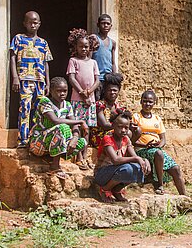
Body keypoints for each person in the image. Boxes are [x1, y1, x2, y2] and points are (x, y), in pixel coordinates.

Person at [28, 77, 88, 180]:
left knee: (82, 141)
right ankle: (54, 166)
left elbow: (74, 126)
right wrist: (81, 121)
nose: (62, 93)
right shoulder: (45, 102)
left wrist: (75, 137)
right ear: (51, 91)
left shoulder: (67, 105)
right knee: (63, 127)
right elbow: (55, 120)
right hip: (39, 143)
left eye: (65, 91)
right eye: (59, 91)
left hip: (54, 142)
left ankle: (52, 157)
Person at [10, 11, 53, 148]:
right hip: (25, 79)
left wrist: (47, 83)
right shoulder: (18, 39)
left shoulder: (43, 43)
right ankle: (23, 139)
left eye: (35, 22)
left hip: (40, 81)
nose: (33, 25)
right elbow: (12, 57)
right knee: (25, 109)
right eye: (30, 22)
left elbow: (46, 63)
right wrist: (15, 77)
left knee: (39, 111)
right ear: (24, 23)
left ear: (39, 24)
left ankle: (37, 140)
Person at [131, 90, 186, 195]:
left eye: (150, 102)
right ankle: (159, 185)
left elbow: (163, 139)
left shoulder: (157, 119)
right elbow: (131, 140)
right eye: (145, 101)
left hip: (156, 149)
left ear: (154, 103)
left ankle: (185, 199)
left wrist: (158, 145)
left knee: (176, 169)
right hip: (141, 150)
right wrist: (145, 145)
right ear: (141, 102)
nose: (147, 104)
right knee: (158, 153)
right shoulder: (136, 117)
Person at [94, 108, 151, 202]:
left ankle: (116, 190)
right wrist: (137, 158)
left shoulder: (126, 139)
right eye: (120, 127)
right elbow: (115, 160)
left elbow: (134, 155)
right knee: (127, 169)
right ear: (113, 126)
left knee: (139, 167)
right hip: (102, 174)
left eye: (126, 128)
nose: (123, 130)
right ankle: (104, 189)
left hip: (115, 171)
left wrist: (144, 161)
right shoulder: (107, 138)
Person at [66, 28, 100, 170]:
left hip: (90, 101)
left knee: (87, 130)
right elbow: (71, 78)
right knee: (78, 128)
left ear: (90, 47)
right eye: (81, 46)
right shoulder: (73, 61)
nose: (84, 49)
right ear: (76, 47)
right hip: (78, 100)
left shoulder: (93, 63)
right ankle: (78, 157)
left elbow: (97, 80)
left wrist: (90, 92)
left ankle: (85, 157)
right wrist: (82, 93)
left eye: (86, 46)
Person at [89, 72, 130, 148]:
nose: (112, 93)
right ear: (105, 90)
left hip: (115, 132)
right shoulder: (100, 105)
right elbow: (104, 125)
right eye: (109, 90)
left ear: (118, 91)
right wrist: (122, 126)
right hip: (100, 135)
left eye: (115, 90)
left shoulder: (119, 106)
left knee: (131, 132)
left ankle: (123, 152)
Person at [92, 14, 117, 100]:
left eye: (107, 23)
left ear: (111, 26)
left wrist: (115, 78)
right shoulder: (94, 39)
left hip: (108, 78)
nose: (105, 25)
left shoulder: (112, 43)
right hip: (97, 78)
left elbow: (113, 62)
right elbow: (89, 59)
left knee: (106, 102)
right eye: (103, 23)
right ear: (98, 25)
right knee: (97, 100)